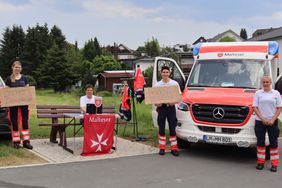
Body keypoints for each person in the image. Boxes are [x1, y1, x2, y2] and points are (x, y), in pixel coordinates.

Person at [253, 76, 282, 172]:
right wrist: (262, 119)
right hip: (260, 121)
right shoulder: (258, 93)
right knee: (260, 142)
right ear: (262, 83)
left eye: (267, 82)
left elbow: (279, 108)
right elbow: (255, 107)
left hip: (272, 122)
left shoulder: (276, 93)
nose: (265, 84)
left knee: (273, 143)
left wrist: (273, 119)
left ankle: (274, 164)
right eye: (264, 82)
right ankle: (260, 162)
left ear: (270, 82)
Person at [4, 60, 33, 149]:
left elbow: (27, 91)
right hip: (13, 104)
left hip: (23, 104)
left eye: (19, 67)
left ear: (21, 68)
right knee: (14, 122)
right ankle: (16, 142)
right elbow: (6, 92)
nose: (17, 68)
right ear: (12, 67)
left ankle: (26, 142)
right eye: (16, 67)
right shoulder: (9, 79)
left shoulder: (24, 78)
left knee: (25, 122)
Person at [154, 66, 180, 156]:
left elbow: (178, 97)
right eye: (164, 72)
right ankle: (162, 148)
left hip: (171, 108)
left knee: (172, 127)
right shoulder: (157, 85)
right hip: (161, 108)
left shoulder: (174, 84)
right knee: (161, 127)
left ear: (169, 73)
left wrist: (173, 102)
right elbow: (154, 99)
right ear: (161, 73)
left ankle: (174, 148)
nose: (165, 74)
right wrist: (157, 104)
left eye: (167, 72)